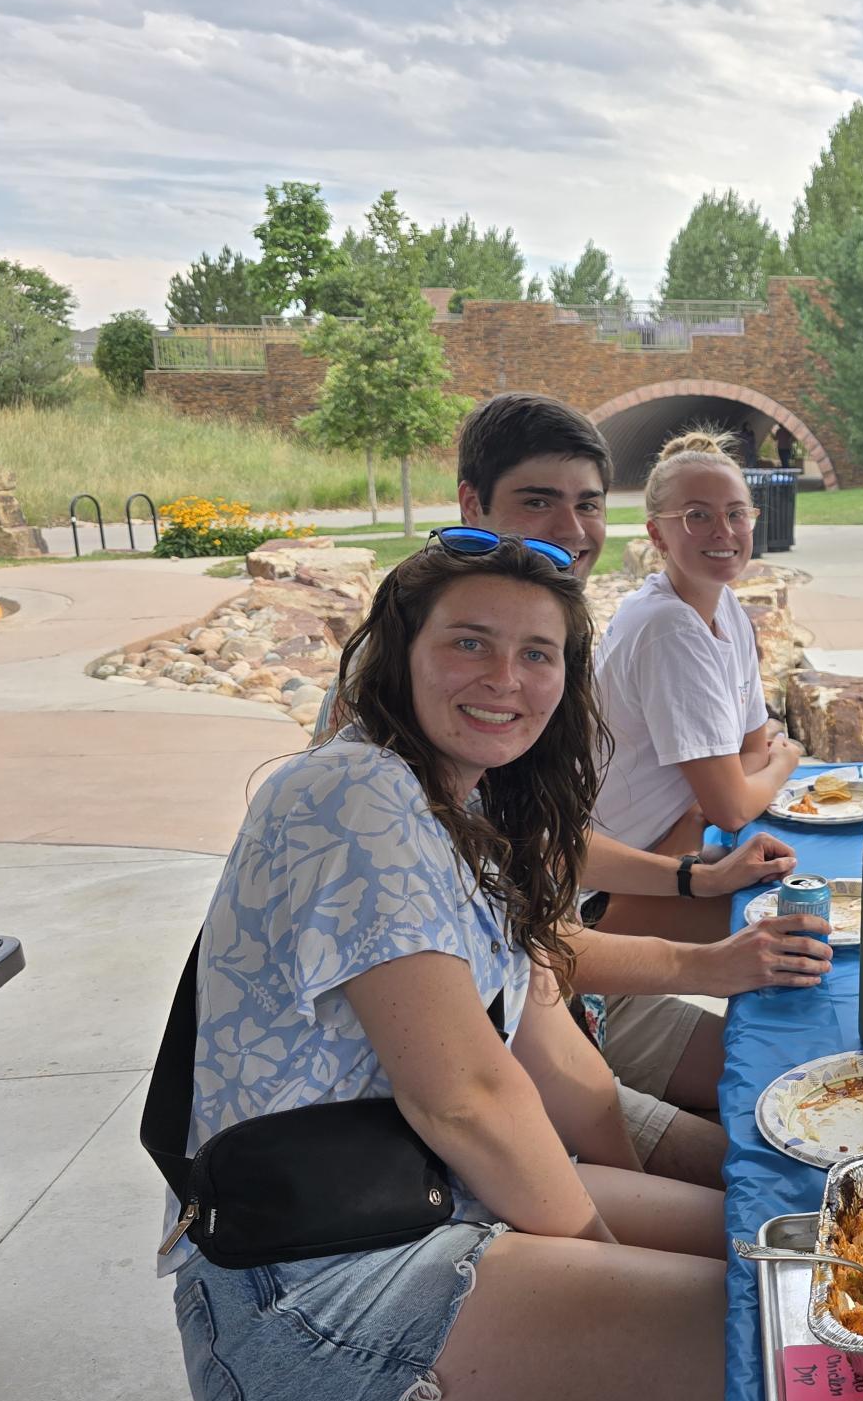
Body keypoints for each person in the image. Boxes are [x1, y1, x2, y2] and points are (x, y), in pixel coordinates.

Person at [165, 536, 725, 1401]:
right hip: (315, 1273)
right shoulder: (355, 792)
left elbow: (557, 1062)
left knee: (776, 1245)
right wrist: (614, 1260)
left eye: (537, 653)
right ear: (403, 656)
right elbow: (464, 1098)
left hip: (432, 1193)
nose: (505, 675)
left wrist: (628, 1227)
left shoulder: (464, 812)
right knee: (752, 1336)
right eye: (469, 642)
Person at [329, 393, 829, 1189]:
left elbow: (538, 840)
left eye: (588, 504)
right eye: (538, 502)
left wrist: (695, 878)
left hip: (564, 1011)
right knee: (767, 1174)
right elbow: (491, 1041)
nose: (571, 528)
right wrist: (707, 963)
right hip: (454, 1094)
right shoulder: (400, 709)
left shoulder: (542, 651)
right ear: (470, 505)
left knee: (792, 1118)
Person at [592, 429, 803, 929]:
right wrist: (786, 762)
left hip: (672, 853)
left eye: (736, 513)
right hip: (605, 891)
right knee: (806, 935)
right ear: (656, 534)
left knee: (814, 910)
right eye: (697, 516)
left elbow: (748, 750)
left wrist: (699, 808)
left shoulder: (724, 605)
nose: (723, 531)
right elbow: (733, 805)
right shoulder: (667, 628)